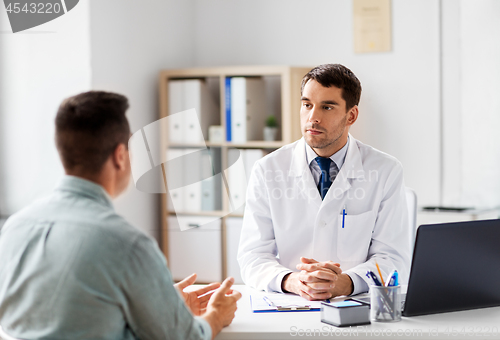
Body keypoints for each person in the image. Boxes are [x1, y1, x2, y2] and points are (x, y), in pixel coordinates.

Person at [0, 91, 240, 340]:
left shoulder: (15, 228)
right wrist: (216, 316)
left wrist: (162, 305)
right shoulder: (128, 245)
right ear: (120, 156)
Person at [238, 64, 411, 300]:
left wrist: (345, 283)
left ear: (351, 115)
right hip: (289, 303)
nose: (313, 118)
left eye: (327, 107)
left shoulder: (385, 170)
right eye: (307, 105)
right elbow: (253, 256)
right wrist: (293, 281)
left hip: (355, 305)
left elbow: (392, 258)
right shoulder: (267, 169)